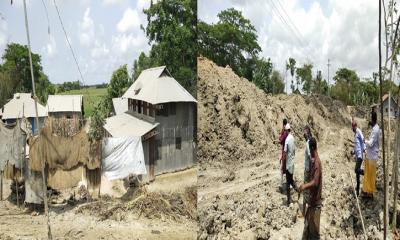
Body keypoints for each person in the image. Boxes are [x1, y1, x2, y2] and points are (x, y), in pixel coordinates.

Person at [299, 137, 322, 240]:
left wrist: (305, 186)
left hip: (315, 205)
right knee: (306, 230)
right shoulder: (314, 162)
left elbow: (316, 182)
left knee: (314, 235)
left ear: (312, 148)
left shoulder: (317, 163)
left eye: (310, 149)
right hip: (311, 203)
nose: (310, 153)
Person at [363, 111, 380, 198]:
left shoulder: (375, 130)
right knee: (369, 174)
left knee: (370, 175)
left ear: (372, 119)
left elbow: (370, 143)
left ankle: (370, 192)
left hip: (372, 156)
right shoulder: (375, 128)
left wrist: (364, 141)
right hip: (370, 155)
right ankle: (367, 191)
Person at [282, 123, 296, 205]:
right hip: (292, 162)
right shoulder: (293, 138)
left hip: (288, 164)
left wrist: (283, 163)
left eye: (285, 131)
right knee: (290, 180)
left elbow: (284, 153)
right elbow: (294, 151)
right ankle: (298, 190)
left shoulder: (287, 140)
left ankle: (288, 201)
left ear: (287, 130)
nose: (285, 132)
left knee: (288, 182)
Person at [275, 118, 289, 191]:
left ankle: (281, 185)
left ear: (283, 124)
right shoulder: (288, 132)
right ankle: (288, 185)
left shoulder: (284, 132)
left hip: (284, 152)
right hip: (287, 152)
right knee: (286, 169)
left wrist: (277, 140)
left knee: (282, 169)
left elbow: (281, 139)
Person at [352, 119, 364, 196]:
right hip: (357, 156)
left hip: (360, 155)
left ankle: (365, 173)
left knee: (356, 170)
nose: (352, 129)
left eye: (352, 127)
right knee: (357, 174)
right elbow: (357, 144)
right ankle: (357, 191)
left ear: (354, 126)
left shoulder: (358, 131)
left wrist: (365, 149)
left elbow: (363, 139)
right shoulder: (355, 133)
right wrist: (353, 152)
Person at [302, 125, 312, 216]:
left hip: (307, 169)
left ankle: (304, 212)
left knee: (305, 189)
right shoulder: (311, 142)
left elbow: (309, 156)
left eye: (304, 132)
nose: (303, 134)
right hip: (309, 169)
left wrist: (309, 168)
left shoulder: (308, 143)